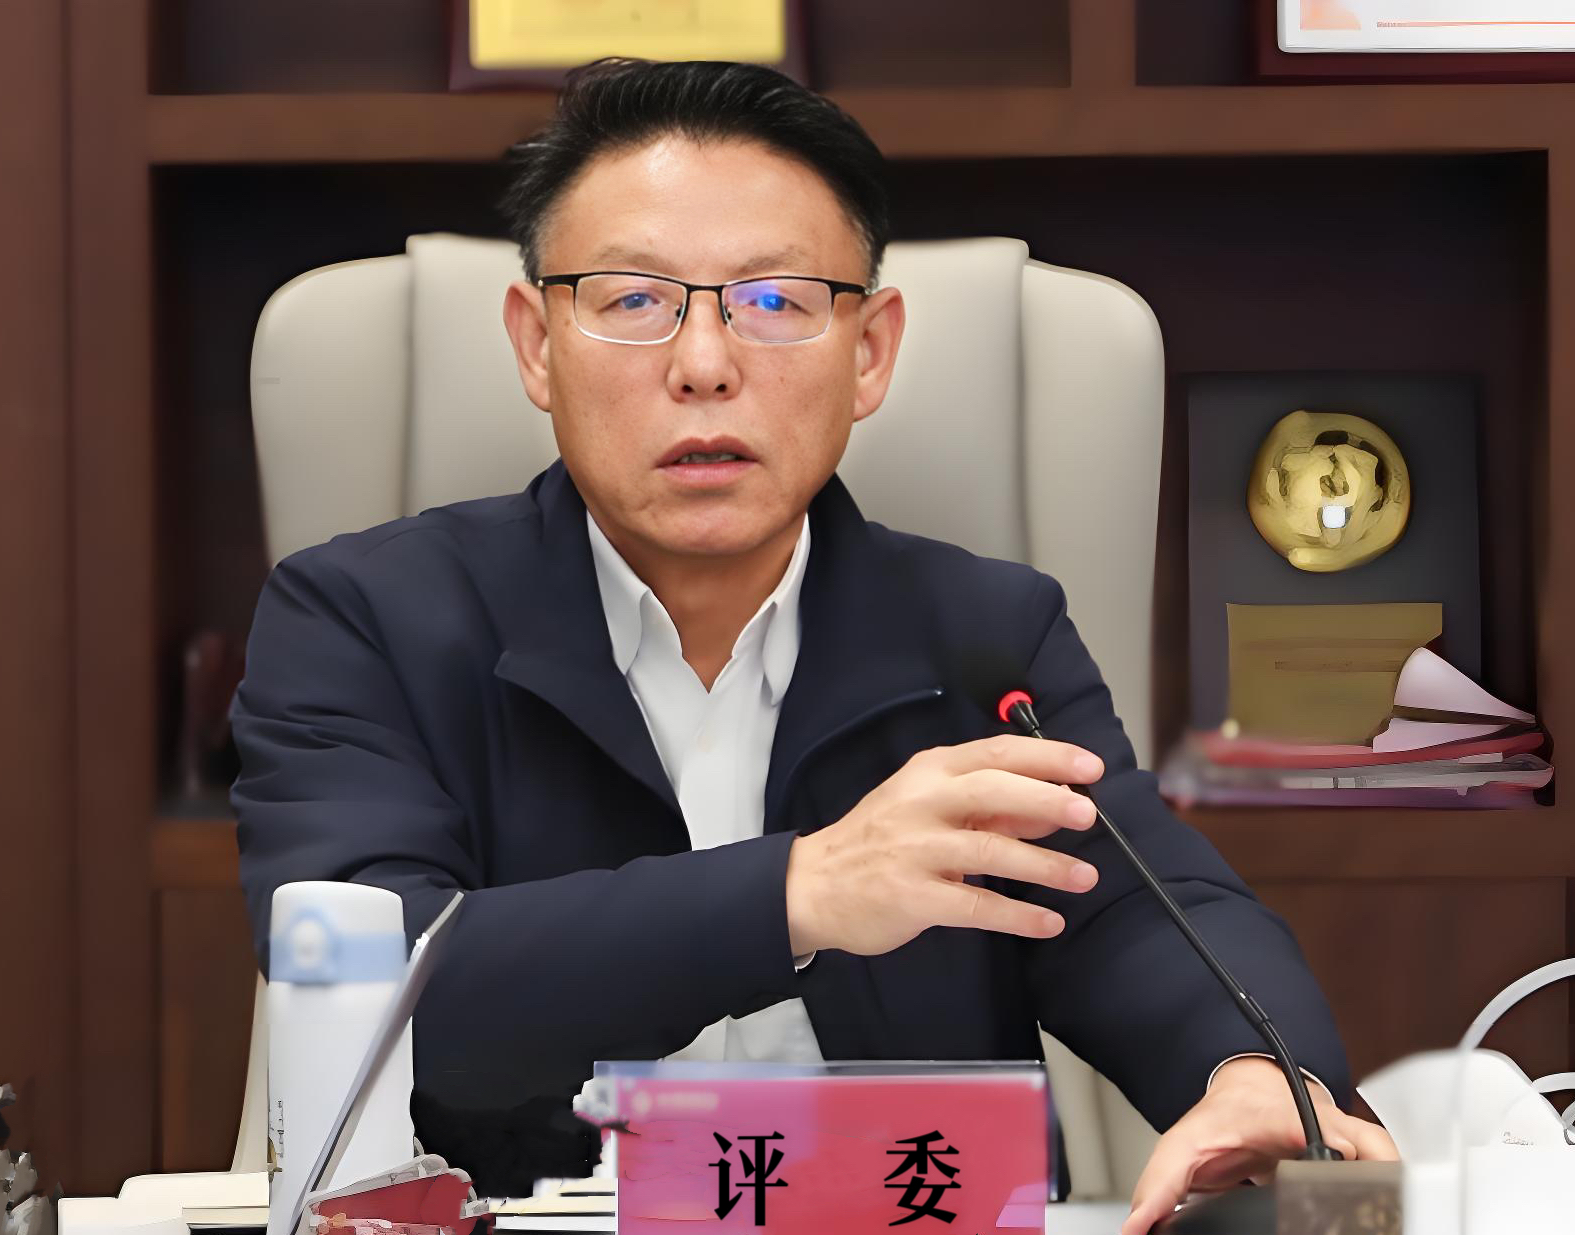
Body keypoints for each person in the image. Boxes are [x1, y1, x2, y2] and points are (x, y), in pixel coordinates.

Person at [231, 58, 1395, 1233]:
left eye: (776, 301)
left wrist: (1256, 1071)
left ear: (871, 350)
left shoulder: (984, 633)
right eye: (632, 300)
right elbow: (377, 1002)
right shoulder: (364, 621)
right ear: (536, 344)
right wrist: (799, 892)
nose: (704, 365)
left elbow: (1137, 906)